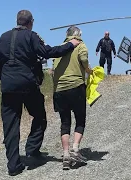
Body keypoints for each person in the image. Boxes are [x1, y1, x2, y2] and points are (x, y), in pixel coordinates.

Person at [0, 10, 80, 176]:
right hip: (27, 85)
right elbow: (48, 52)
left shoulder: (3, 37)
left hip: (8, 86)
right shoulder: (31, 36)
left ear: (17, 21)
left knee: (11, 126)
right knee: (40, 116)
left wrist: (4, 78)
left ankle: (13, 166)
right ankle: (32, 150)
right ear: (31, 22)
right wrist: (70, 45)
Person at [52, 26, 93, 170]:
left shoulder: (59, 48)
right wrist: (89, 70)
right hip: (76, 87)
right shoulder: (81, 45)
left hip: (59, 90)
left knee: (65, 122)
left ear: (67, 34)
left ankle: (65, 155)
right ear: (79, 34)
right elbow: (83, 59)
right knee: (80, 119)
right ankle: (75, 149)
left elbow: (53, 70)